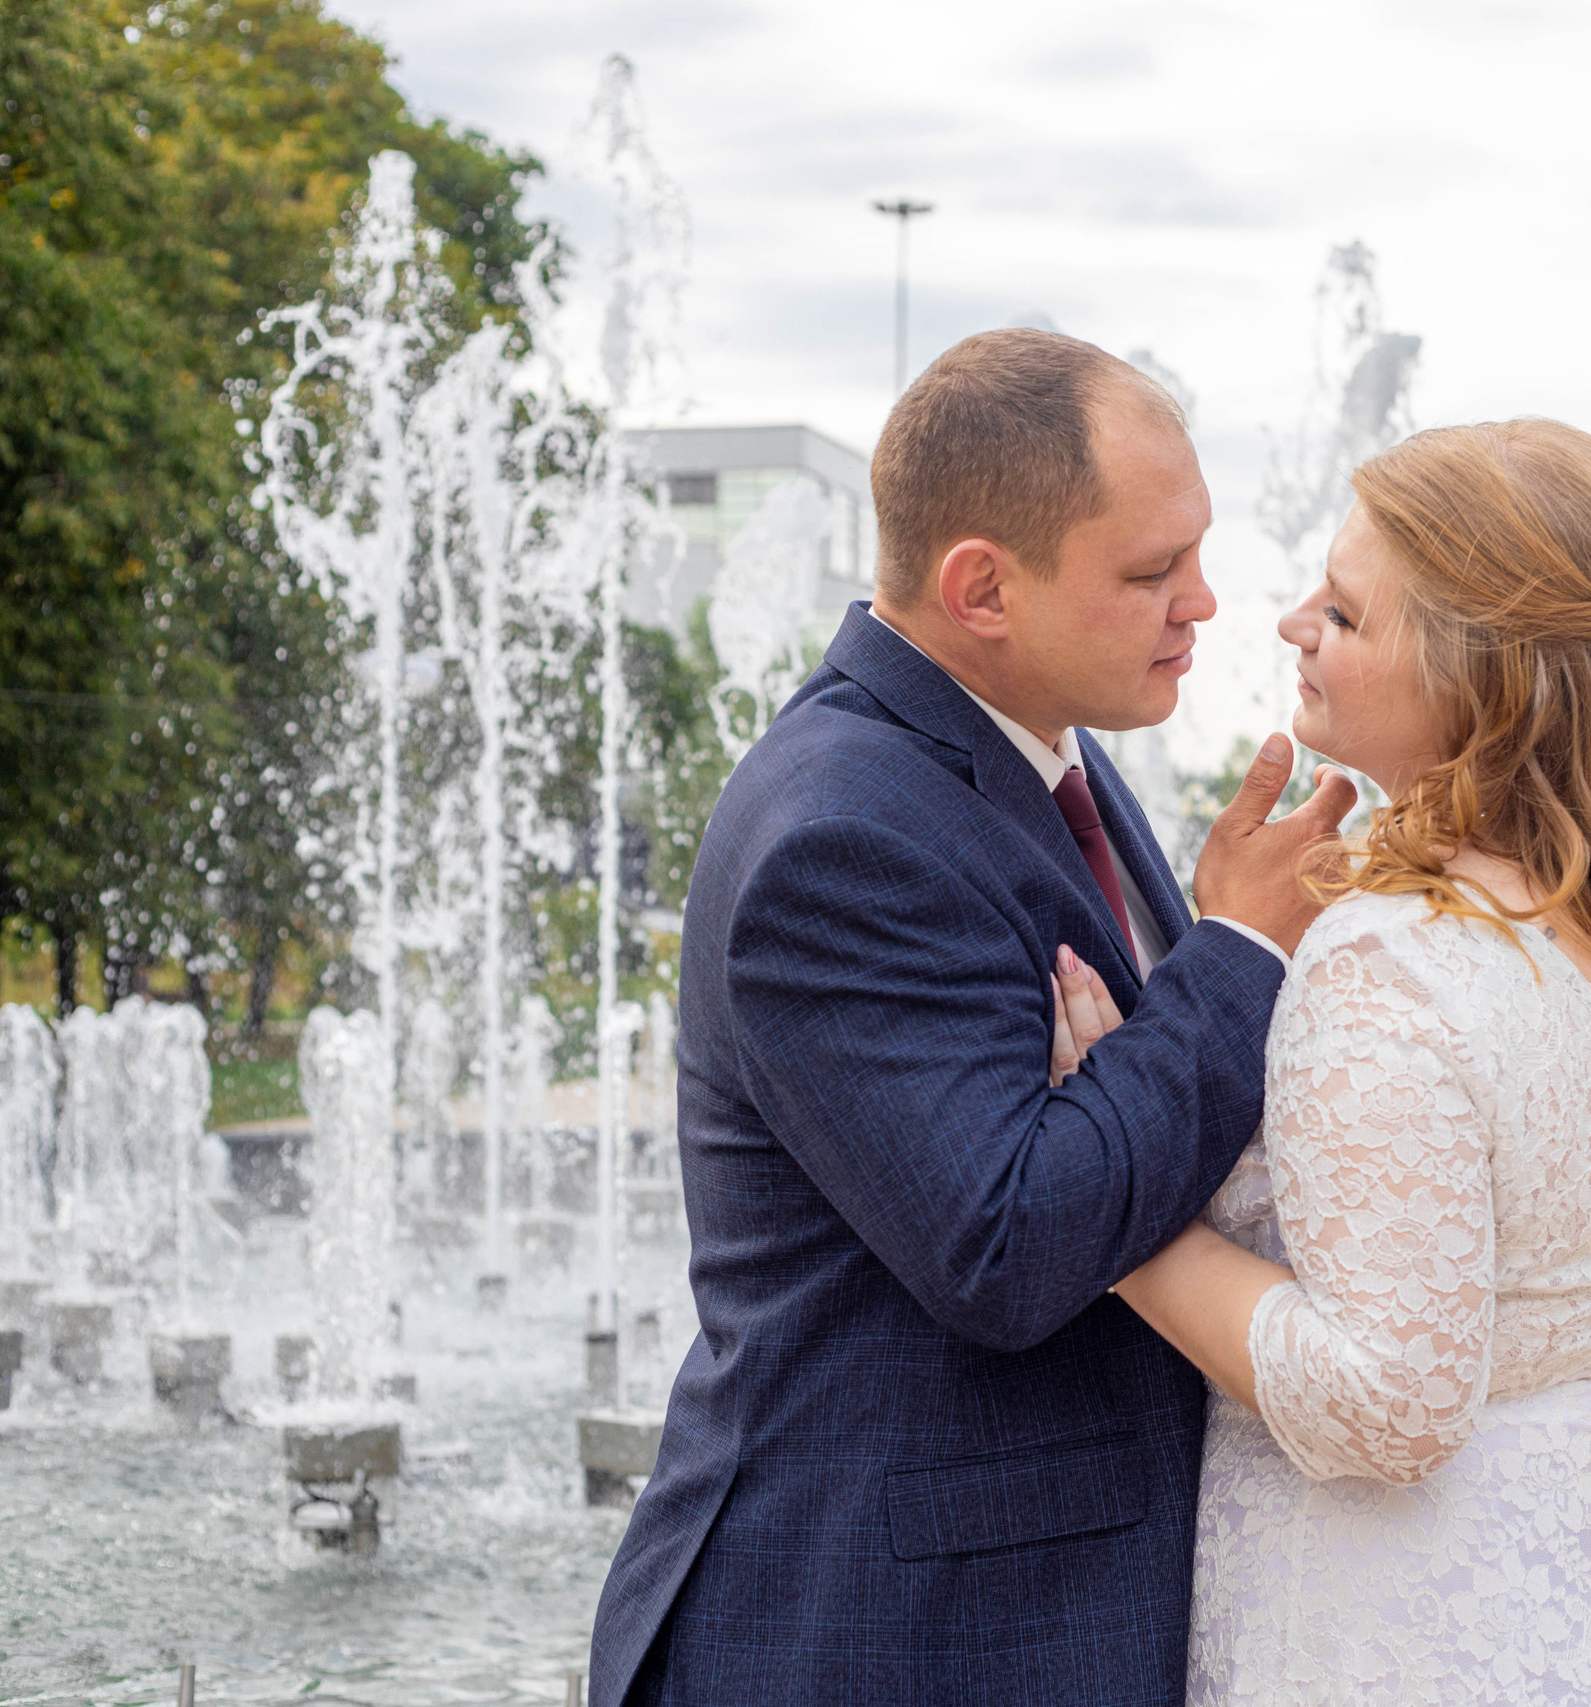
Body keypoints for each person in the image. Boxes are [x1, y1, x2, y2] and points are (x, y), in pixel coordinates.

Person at [586, 329, 1356, 1706]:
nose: (1204, 602)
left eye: (1195, 551)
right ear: (981, 586)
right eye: (1148, 570)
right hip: (893, 1634)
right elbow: (1007, 1241)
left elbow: (1122, 1125)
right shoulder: (842, 831)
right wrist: (1237, 947)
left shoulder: (1039, 745)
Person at [1098, 419, 1591, 1704]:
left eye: (1349, 616)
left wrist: (1121, 1221)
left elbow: (1388, 1403)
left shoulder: (1394, 959)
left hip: (1405, 1637)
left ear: (1487, 682)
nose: (1292, 623)